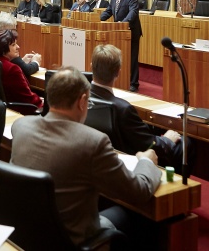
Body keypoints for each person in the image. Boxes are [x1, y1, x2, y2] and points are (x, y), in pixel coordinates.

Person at [11, 66, 161, 248]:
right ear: (82, 101)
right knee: (144, 219)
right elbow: (138, 191)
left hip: (28, 233)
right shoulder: (93, 142)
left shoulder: (21, 126)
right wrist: (146, 161)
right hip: (72, 240)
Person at [90, 44, 190, 172]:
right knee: (186, 143)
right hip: (131, 160)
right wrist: (167, 139)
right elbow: (148, 144)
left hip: (102, 157)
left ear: (91, 66)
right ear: (119, 72)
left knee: (151, 128)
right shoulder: (124, 109)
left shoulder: (82, 98)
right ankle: (175, 189)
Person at [100, 0, 142, 92]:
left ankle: (134, 83)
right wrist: (99, 19)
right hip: (118, 32)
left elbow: (133, 12)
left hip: (131, 31)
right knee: (119, 57)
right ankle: (122, 80)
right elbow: (109, 10)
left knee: (132, 58)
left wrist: (122, 24)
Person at [0, 11, 41, 78]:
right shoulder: (5, 44)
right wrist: (35, 62)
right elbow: (27, 70)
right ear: (8, 31)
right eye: (14, 30)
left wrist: (22, 60)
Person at [0, 30, 42, 114]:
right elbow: (29, 99)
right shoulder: (12, 70)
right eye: (13, 45)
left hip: (2, 110)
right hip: (20, 111)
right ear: (4, 49)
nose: (18, 47)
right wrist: (42, 101)